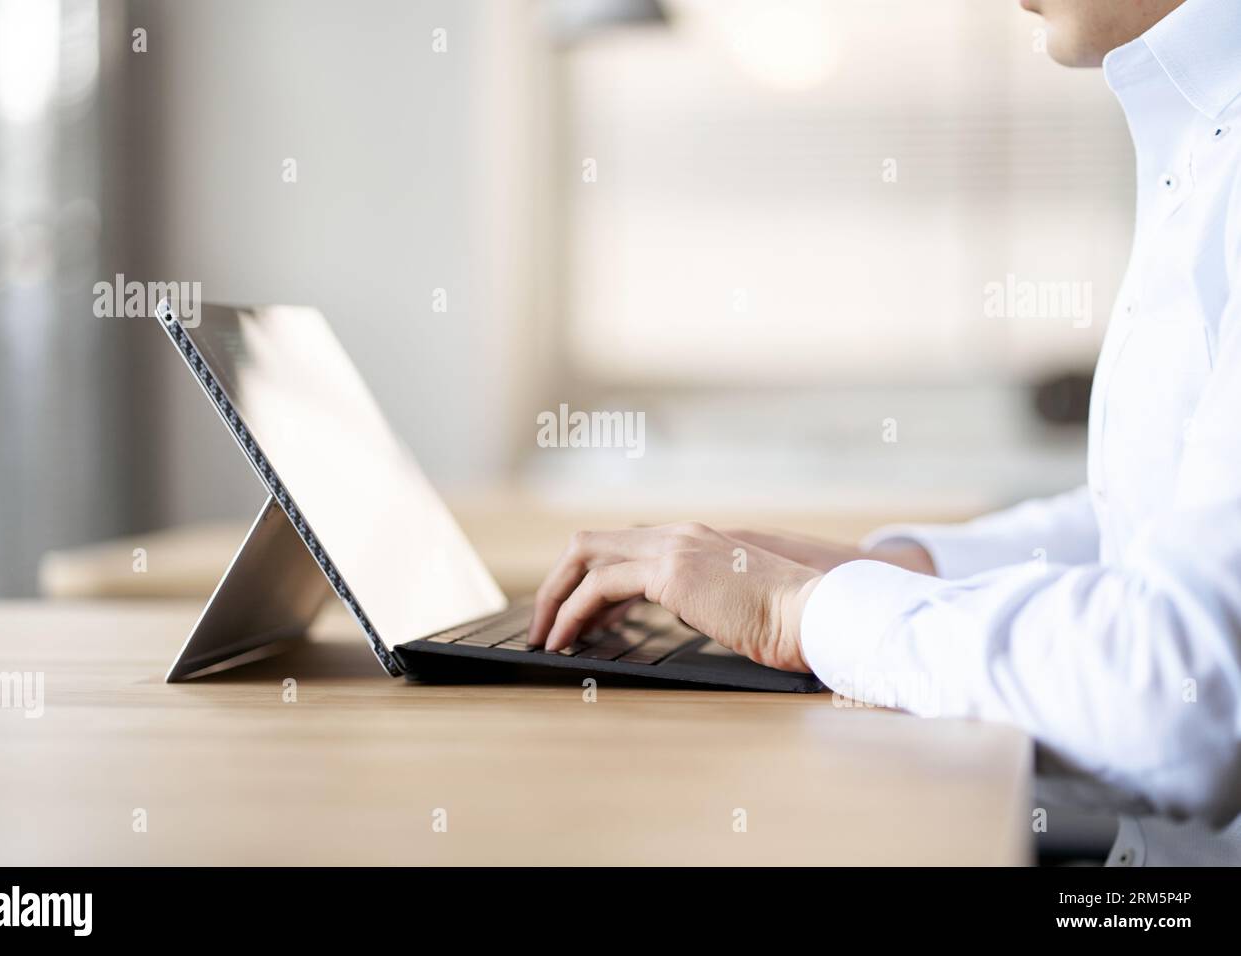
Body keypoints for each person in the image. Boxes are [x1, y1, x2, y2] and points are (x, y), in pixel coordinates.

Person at [527, 0, 1241, 866]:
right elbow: (1162, 520)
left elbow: (1180, 695)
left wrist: (797, 611)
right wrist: (889, 572)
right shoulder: (1204, 132)